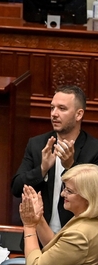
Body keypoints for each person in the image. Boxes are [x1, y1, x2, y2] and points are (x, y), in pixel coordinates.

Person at [12, 85, 98, 234]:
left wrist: (71, 166)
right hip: (38, 237)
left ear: (79, 115)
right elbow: (16, 188)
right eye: (52, 108)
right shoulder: (37, 144)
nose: (54, 114)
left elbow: (93, 197)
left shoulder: (94, 149)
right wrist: (42, 169)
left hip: (76, 237)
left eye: (62, 109)